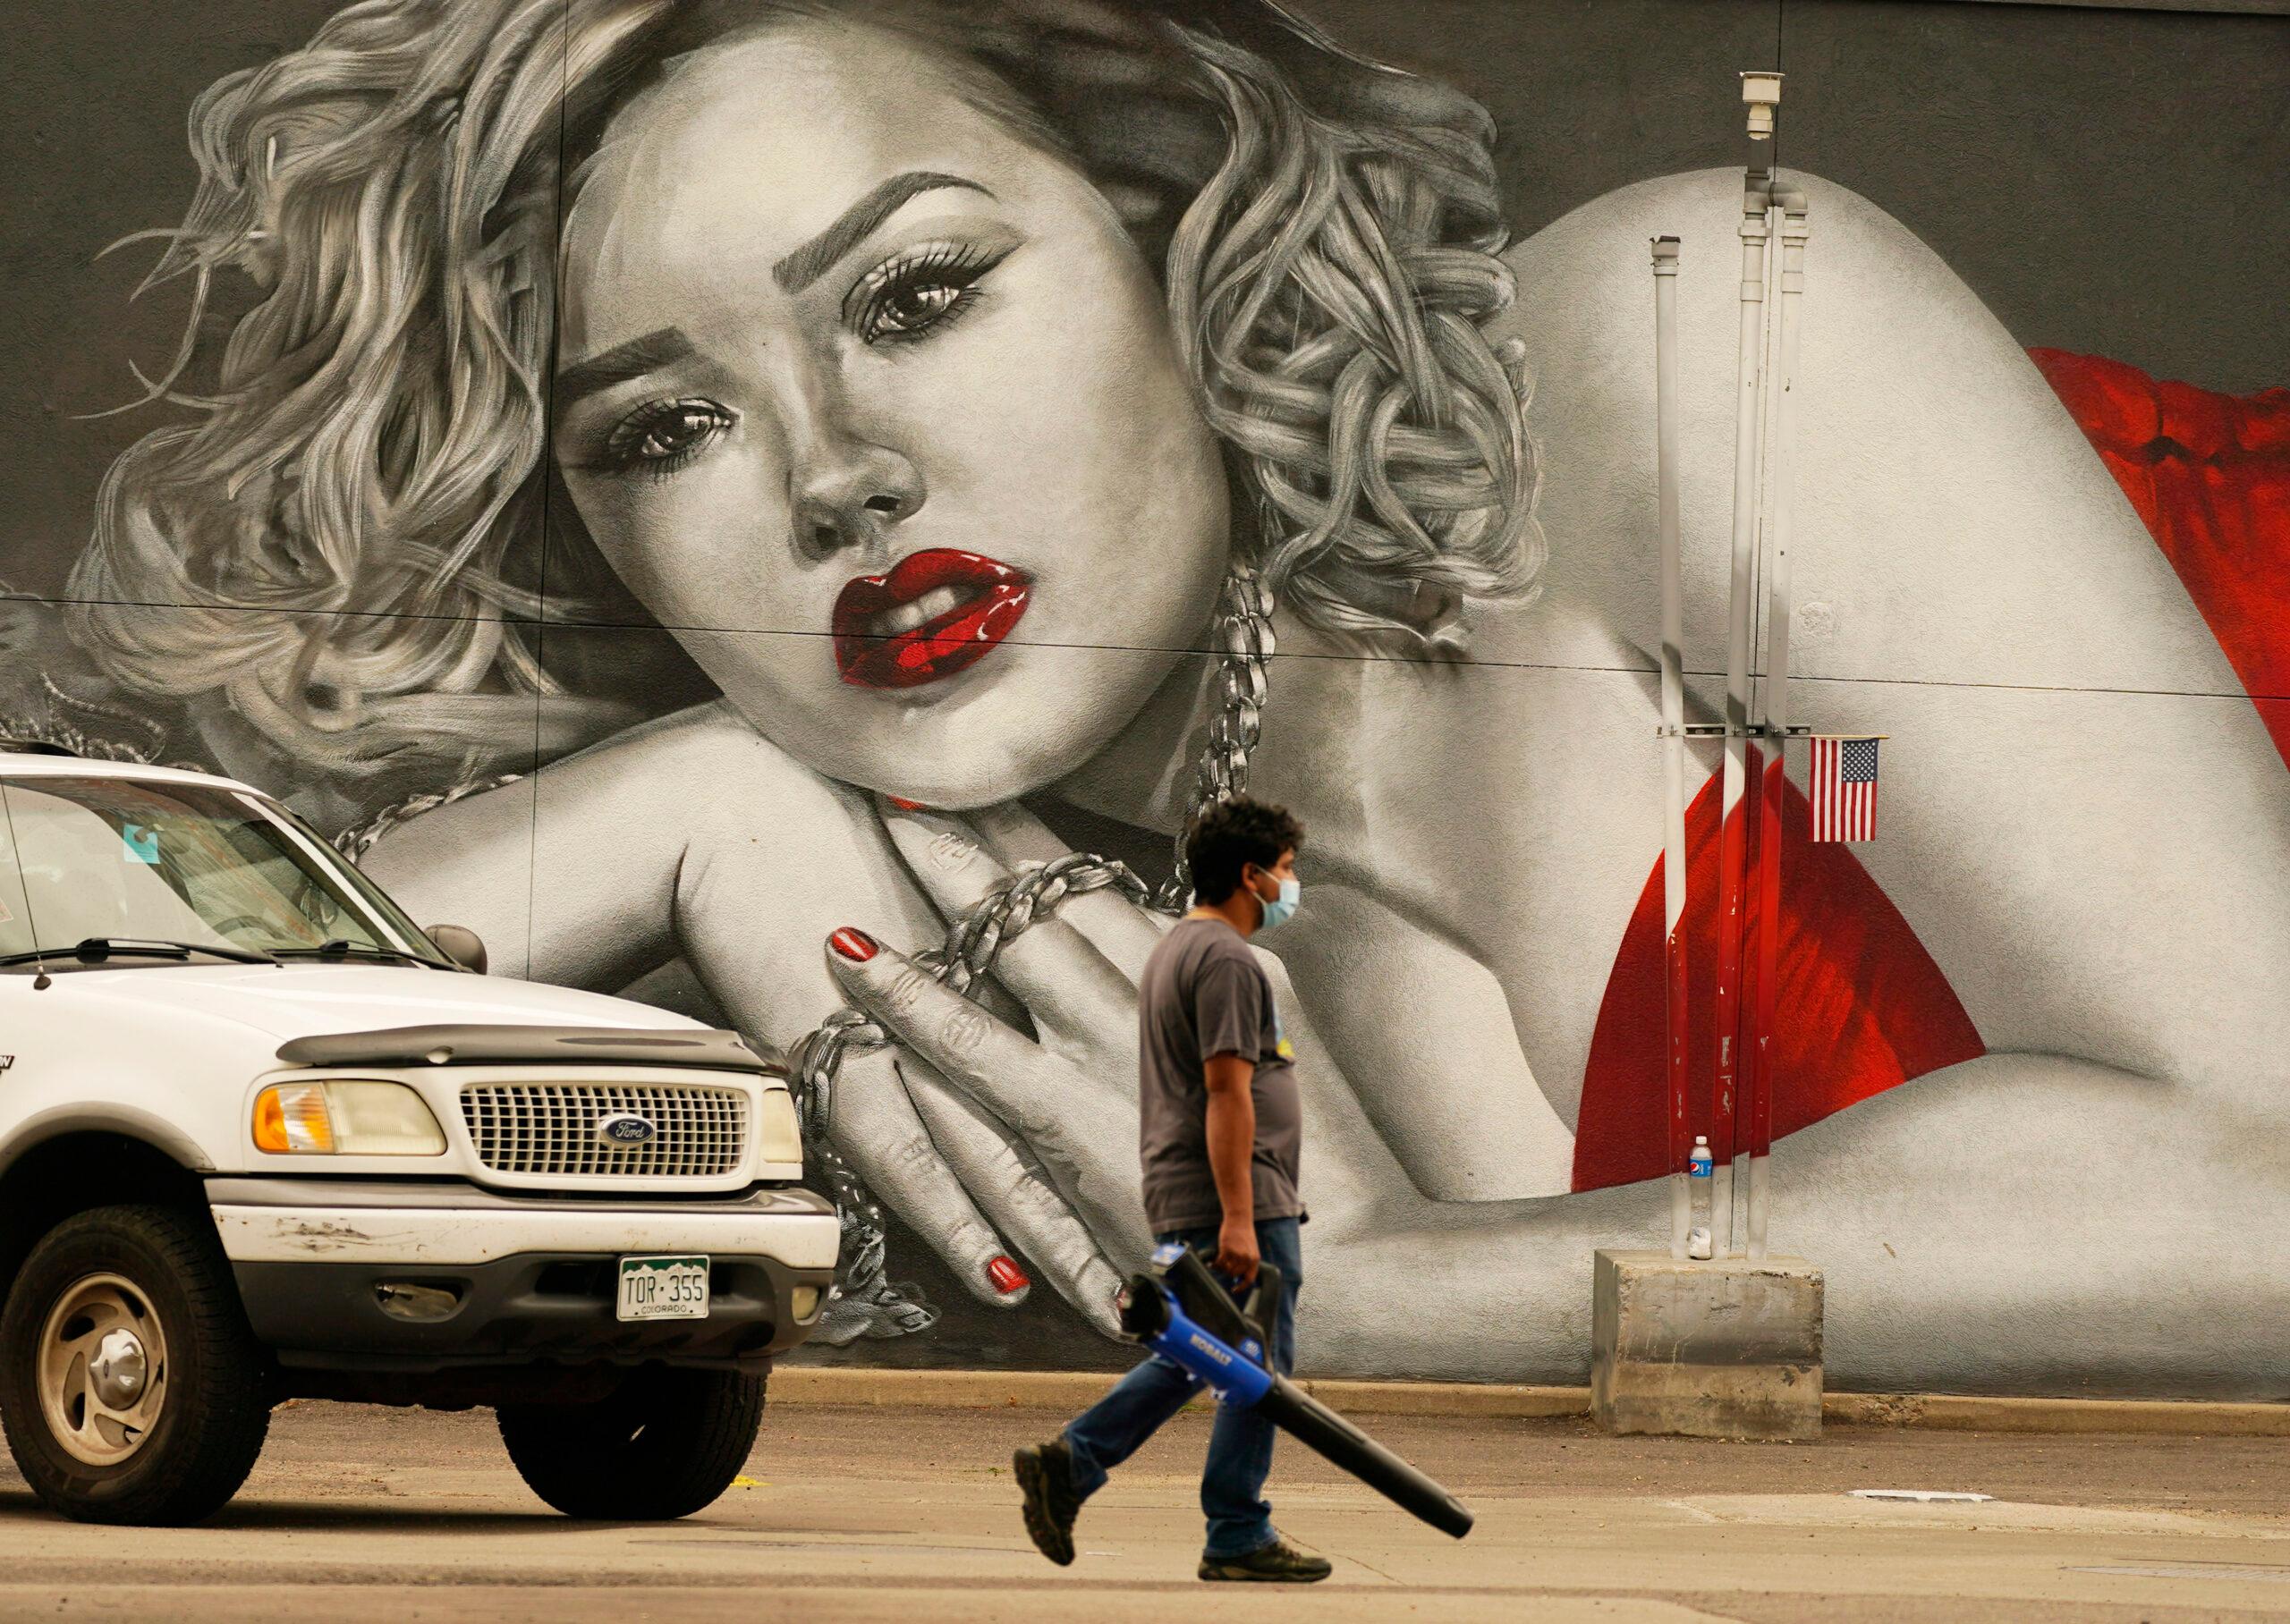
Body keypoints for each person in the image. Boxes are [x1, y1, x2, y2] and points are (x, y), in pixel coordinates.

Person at [64, 0, 2290, 1390]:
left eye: (918, 290)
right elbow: (78, 1005)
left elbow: (2258, 1180)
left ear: (1172, 225)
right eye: (661, 434)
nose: (833, 467)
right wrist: (694, 802)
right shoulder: (1148, 926)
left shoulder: (1681, 340)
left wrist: (1391, 1291)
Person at [1009, 795, 1327, 1583]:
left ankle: (1072, 1466)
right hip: (1233, 1199)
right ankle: (1235, 1532)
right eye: (1286, 871)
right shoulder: (1224, 961)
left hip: (1201, 1191)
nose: (1292, 886)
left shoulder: (1179, 949)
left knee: (1203, 1354)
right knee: (1253, 1365)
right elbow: (1227, 1091)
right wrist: (1243, 1219)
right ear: (1251, 876)